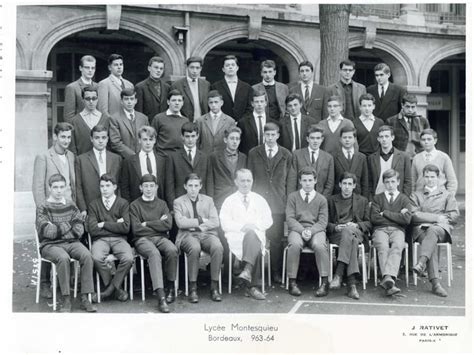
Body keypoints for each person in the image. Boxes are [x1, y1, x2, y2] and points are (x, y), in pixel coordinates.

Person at [35, 173, 96, 312]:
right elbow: (48, 233)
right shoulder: (42, 207)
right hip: (50, 245)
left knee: (87, 255)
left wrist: (57, 227)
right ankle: (66, 299)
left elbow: (79, 230)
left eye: (62, 187)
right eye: (55, 187)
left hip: (72, 242)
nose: (58, 190)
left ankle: (85, 297)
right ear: (49, 188)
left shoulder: (71, 204)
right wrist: (70, 222)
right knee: (63, 258)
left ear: (65, 188)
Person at [247, 122, 292, 283]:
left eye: (273, 135)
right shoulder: (254, 153)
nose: (270, 138)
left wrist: (286, 201)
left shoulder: (286, 154)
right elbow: (249, 178)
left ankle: (275, 272)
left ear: (278, 135)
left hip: (278, 203)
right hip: (258, 203)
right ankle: (256, 273)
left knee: (276, 240)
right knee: (257, 237)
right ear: (263, 136)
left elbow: (290, 181)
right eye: (267, 135)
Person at [219, 169, 273, 300]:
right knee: (251, 236)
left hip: (256, 235)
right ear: (236, 182)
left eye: (248, 180)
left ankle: (247, 272)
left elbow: (268, 220)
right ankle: (251, 284)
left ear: (252, 182)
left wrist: (255, 226)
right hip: (236, 236)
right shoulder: (229, 200)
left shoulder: (259, 199)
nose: (245, 183)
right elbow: (224, 223)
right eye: (242, 180)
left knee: (253, 235)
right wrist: (242, 227)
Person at [129, 174, 178, 313]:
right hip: (142, 239)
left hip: (160, 238)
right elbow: (137, 229)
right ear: (140, 188)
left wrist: (147, 223)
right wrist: (158, 222)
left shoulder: (162, 204)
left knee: (172, 249)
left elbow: (168, 225)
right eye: (145, 186)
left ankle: (170, 287)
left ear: (156, 187)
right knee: (154, 254)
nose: (149, 189)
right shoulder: (134, 205)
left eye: (151, 186)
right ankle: (161, 296)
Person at [411, 164, 459, 297]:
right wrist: (437, 217)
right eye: (426, 176)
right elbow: (413, 215)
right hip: (421, 231)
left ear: (438, 178)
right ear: (423, 178)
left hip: (441, 230)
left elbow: (454, 215)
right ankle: (435, 284)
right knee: (430, 239)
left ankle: (421, 263)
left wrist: (438, 221)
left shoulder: (447, 194)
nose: (429, 179)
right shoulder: (416, 195)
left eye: (432, 177)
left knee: (432, 231)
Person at [174, 173, 223, 303]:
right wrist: (201, 220)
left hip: (207, 234)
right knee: (194, 248)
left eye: (196, 185)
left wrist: (195, 224)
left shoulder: (208, 200)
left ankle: (214, 287)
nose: (193, 189)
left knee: (218, 246)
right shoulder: (178, 202)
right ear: (185, 186)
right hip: (187, 235)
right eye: (190, 186)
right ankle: (193, 288)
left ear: (200, 186)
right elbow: (180, 223)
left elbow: (215, 222)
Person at [87, 174, 133, 302]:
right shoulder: (94, 204)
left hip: (120, 239)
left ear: (115, 187)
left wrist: (104, 224)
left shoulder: (123, 203)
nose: (104, 189)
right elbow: (93, 229)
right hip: (100, 240)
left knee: (128, 258)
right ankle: (116, 289)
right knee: (96, 257)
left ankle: (108, 291)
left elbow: (125, 228)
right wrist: (116, 224)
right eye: (102, 186)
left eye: (108, 186)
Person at [285, 167, 330, 297]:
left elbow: (322, 222)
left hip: (316, 230)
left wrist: (311, 230)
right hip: (297, 229)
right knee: (294, 244)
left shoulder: (321, 199)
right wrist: (302, 230)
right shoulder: (293, 197)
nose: (308, 183)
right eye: (304, 180)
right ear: (300, 181)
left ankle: (325, 282)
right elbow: (290, 218)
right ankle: (292, 282)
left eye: (310, 180)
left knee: (320, 246)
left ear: (315, 181)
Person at [327, 172, 371, 300]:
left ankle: (339, 274)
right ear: (340, 184)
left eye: (349, 184)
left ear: (354, 186)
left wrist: (357, 225)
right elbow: (325, 222)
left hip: (356, 231)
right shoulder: (331, 200)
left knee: (349, 231)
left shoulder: (362, 201)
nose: (347, 187)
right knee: (349, 237)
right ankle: (352, 285)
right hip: (338, 234)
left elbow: (369, 223)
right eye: (344, 183)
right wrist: (335, 227)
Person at [370, 169, 412, 297]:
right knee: (382, 247)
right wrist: (397, 215)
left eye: (393, 181)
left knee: (397, 246)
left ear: (398, 182)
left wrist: (386, 213)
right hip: (380, 229)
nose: (390, 185)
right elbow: (374, 218)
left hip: (398, 230)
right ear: (383, 183)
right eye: (387, 182)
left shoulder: (404, 199)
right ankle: (389, 279)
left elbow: (406, 219)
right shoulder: (377, 199)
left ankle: (388, 278)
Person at [75, 125, 122, 215]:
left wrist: (119, 206)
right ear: (91, 139)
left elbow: (119, 184)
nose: (100, 141)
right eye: (97, 138)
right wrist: (82, 208)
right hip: (90, 205)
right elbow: (78, 186)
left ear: (107, 139)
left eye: (103, 138)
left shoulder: (116, 158)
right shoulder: (81, 159)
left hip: (113, 206)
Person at [165, 122, 209, 209]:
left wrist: (207, 203)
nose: (190, 140)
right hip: (180, 203)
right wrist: (173, 205)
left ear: (197, 136)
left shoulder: (204, 157)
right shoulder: (173, 157)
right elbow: (169, 185)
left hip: (200, 203)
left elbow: (209, 182)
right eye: (187, 136)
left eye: (193, 136)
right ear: (182, 137)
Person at [33, 122, 76, 207]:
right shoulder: (43, 157)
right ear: (55, 136)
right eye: (63, 137)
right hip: (51, 208)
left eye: (69, 137)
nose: (66, 141)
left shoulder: (71, 156)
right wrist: (43, 212)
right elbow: (38, 188)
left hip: (69, 207)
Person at [120, 126, 167, 202]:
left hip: (158, 203)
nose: (148, 143)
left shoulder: (162, 160)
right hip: (137, 205)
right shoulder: (129, 161)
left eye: (150, 139)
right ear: (139, 140)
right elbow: (124, 188)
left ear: (154, 140)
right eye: (145, 139)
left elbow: (167, 185)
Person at [207, 126, 247, 210]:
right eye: (232, 138)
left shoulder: (244, 158)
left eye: (237, 139)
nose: (235, 141)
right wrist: (210, 202)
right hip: (220, 200)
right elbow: (210, 181)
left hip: (238, 200)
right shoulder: (214, 157)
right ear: (225, 140)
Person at [287, 125, 334, 198]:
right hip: (300, 199)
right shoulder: (297, 155)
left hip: (319, 200)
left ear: (322, 139)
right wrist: (294, 199)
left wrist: (321, 200)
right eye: (312, 138)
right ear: (307, 139)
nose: (315, 141)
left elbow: (330, 183)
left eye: (318, 138)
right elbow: (292, 181)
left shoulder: (328, 158)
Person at [367, 125, 412, 199]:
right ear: (378, 139)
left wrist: (404, 199)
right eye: (381, 137)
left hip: (397, 199)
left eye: (387, 136)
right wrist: (371, 199)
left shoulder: (404, 157)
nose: (384, 139)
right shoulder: (371, 158)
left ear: (392, 137)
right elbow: (369, 182)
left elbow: (408, 181)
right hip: (378, 197)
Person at [411, 129, 457, 194]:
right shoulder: (416, 158)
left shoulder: (444, 157)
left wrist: (448, 198)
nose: (426, 142)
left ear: (435, 141)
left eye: (429, 139)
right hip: (420, 197)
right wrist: (413, 197)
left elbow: (452, 181)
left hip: (439, 196)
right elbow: (413, 181)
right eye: (423, 140)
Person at [108, 88, 149, 159]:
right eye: (126, 99)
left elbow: (148, 138)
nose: (129, 102)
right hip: (124, 159)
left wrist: (142, 153)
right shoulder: (114, 118)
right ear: (121, 101)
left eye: (132, 99)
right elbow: (115, 143)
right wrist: (133, 155)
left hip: (142, 158)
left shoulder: (143, 118)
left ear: (135, 101)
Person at [69, 86, 110, 156]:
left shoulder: (106, 119)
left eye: (94, 98)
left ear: (97, 99)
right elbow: (72, 147)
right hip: (82, 162)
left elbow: (110, 145)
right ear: (83, 100)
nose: (91, 101)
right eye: (88, 99)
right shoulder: (75, 120)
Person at [237, 89, 280, 155]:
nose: (259, 104)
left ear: (266, 103)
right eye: (256, 102)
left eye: (261, 101)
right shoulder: (243, 123)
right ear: (252, 103)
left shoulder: (274, 123)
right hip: (250, 158)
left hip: (269, 158)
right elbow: (239, 145)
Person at [387, 94, 430, 159]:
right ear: (402, 105)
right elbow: (387, 144)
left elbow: (428, 142)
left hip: (417, 158)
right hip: (398, 159)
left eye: (413, 107)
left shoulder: (423, 121)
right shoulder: (391, 121)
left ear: (416, 106)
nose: (410, 110)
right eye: (407, 106)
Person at [211, 55, 253, 120]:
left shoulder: (247, 87)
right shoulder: (215, 86)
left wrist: (241, 122)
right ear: (223, 69)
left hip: (243, 125)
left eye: (233, 65)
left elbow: (250, 107)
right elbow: (214, 106)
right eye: (227, 65)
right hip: (222, 123)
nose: (230, 67)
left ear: (237, 68)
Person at [195, 90, 237, 155]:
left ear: (221, 103)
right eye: (211, 102)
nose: (213, 105)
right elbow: (197, 142)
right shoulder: (200, 121)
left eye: (216, 102)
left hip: (222, 158)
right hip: (205, 158)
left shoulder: (230, 121)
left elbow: (232, 142)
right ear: (208, 104)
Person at [333, 127, 369, 198]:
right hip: (339, 197)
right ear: (340, 139)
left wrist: (365, 199)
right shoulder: (334, 157)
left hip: (358, 197)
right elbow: (333, 180)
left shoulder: (362, 157)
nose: (347, 140)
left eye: (350, 137)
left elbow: (365, 181)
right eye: (344, 137)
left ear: (355, 139)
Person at [171, 56, 210, 122]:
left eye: (197, 68)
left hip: (203, 123)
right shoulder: (177, 85)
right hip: (184, 123)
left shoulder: (206, 84)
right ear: (187, 68)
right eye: (192, 67)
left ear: (200, 69)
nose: (195, 71)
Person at [64, 55, 98, 123]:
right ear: (80, 68)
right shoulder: (72, 87)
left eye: (93, 68)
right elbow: (69, 117)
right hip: (80, 129)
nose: (90, 70)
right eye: (87, 67)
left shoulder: (98, 86)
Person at [135, 56, 170, 121]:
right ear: (149, 68)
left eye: (161, 68)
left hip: (164, 125)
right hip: (148, 125)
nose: (158, 70)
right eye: (156, 67)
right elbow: (139, 112)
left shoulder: (167, 87)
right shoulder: (140, 87)